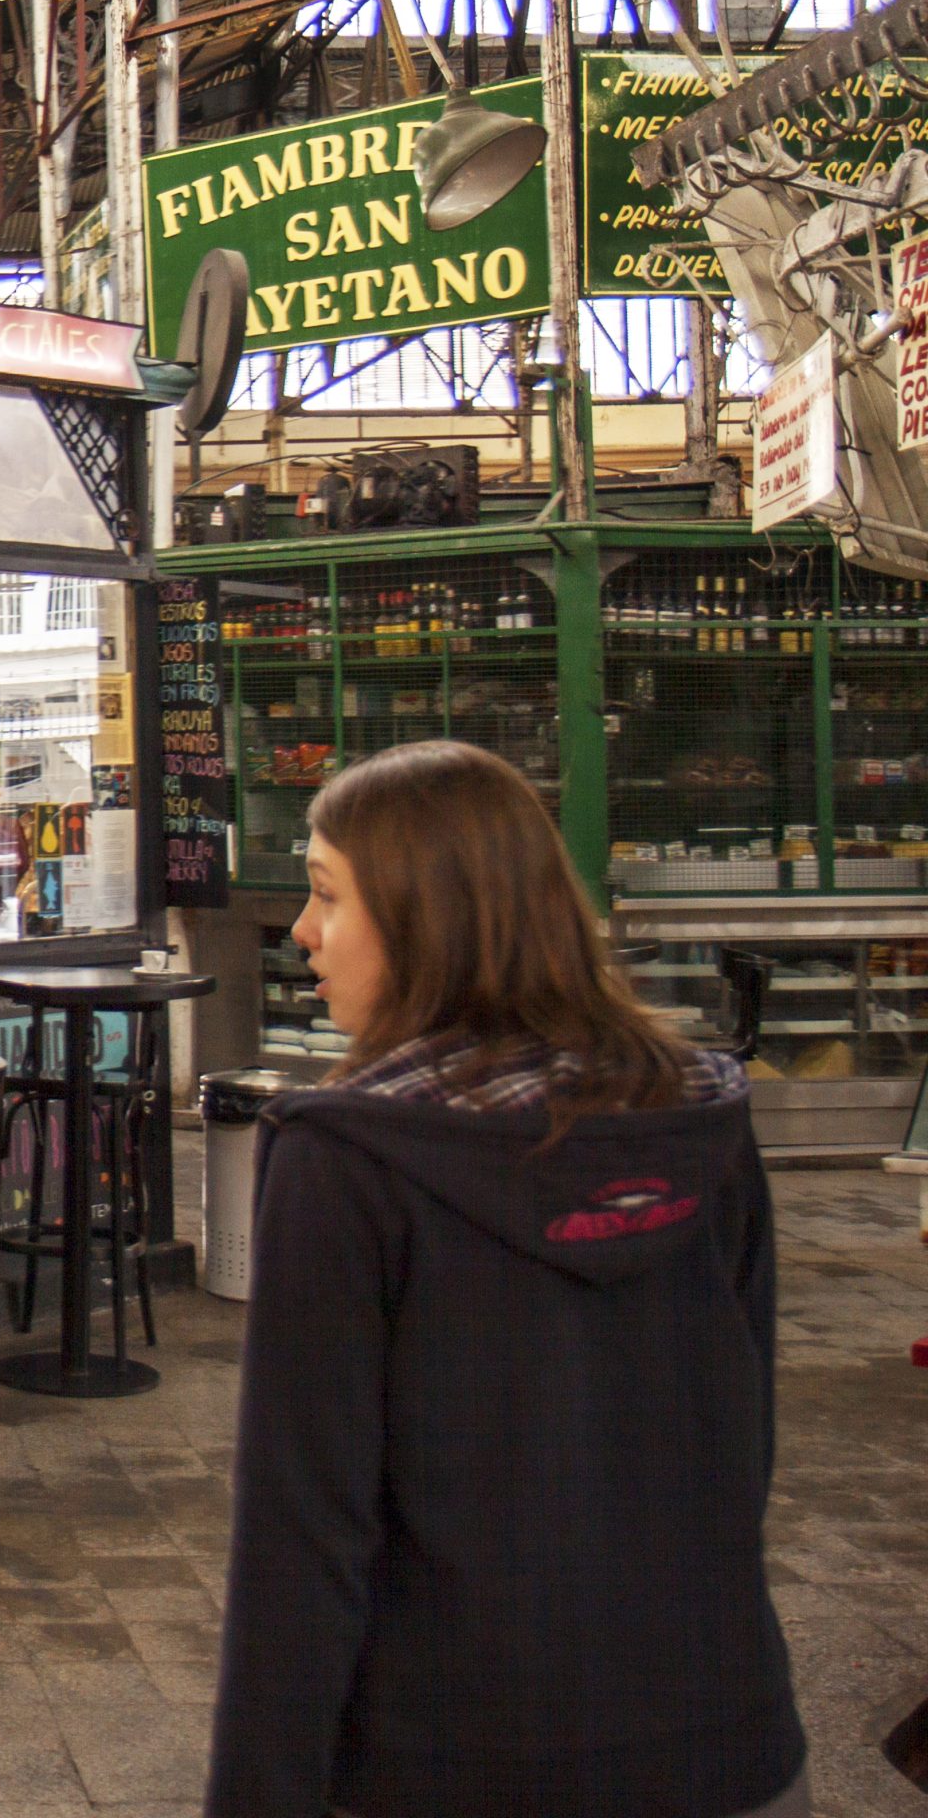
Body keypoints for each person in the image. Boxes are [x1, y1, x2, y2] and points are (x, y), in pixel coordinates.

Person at [206, 739, 805, 1818]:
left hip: (453, 1765)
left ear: (431, 918)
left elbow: (302, 1541)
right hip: (728, 1746)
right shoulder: (703, 1117)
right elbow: (738, 1451)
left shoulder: (344, 1161)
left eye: (327, 895)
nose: (302, 934)